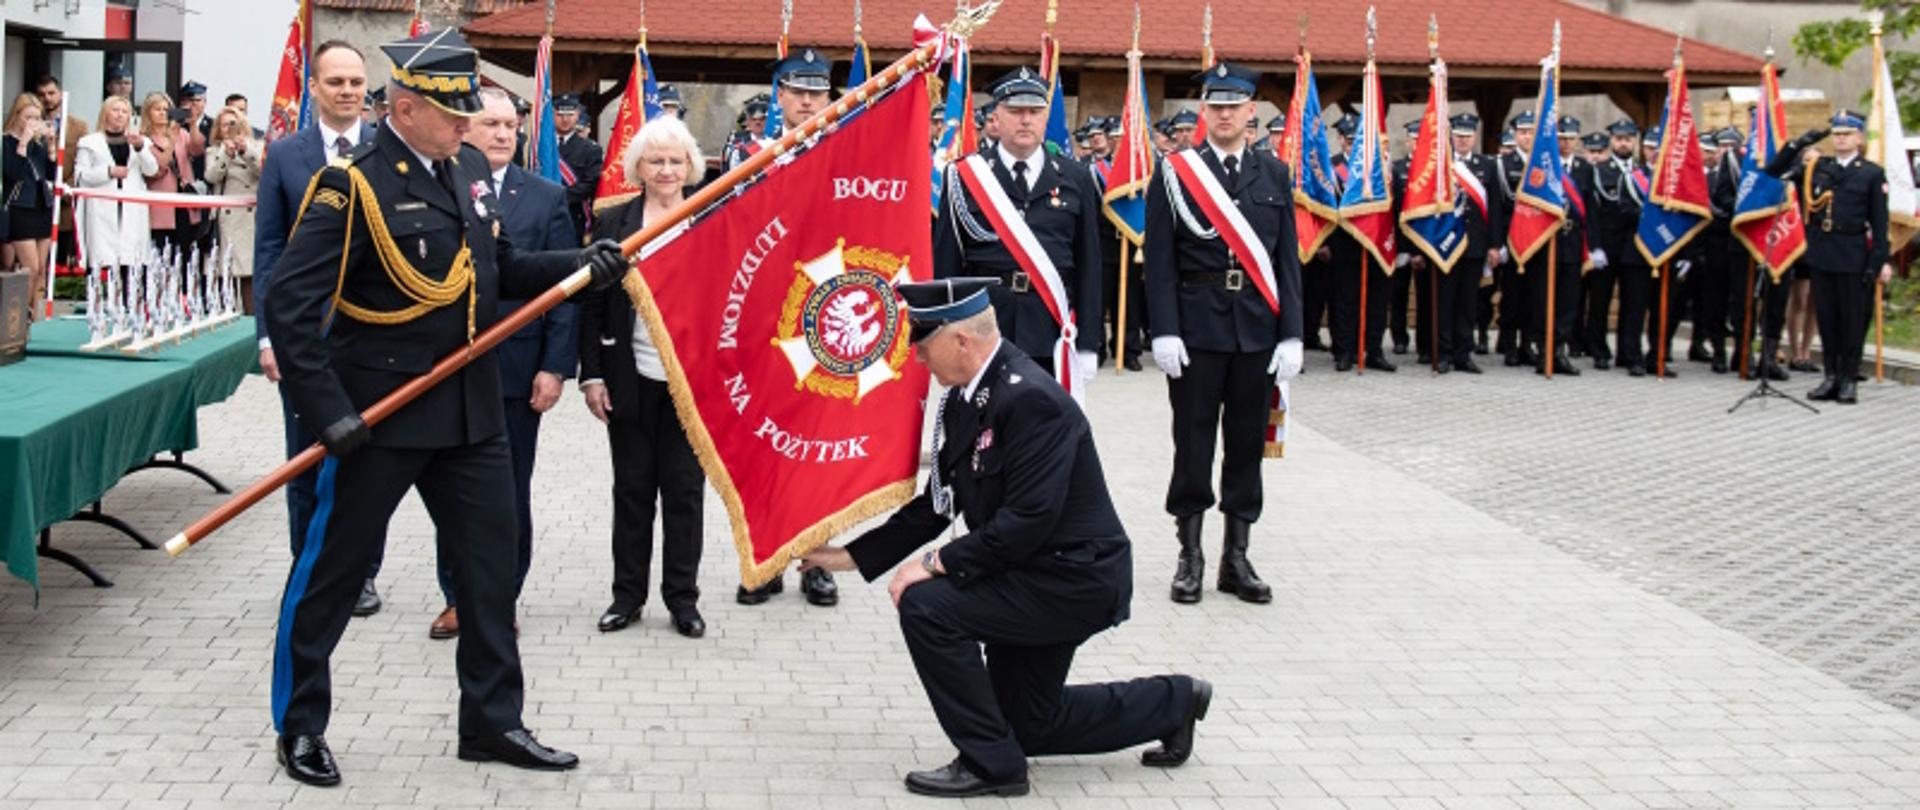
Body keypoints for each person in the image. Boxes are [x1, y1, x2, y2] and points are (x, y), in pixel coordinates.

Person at [263, 28, 627, 786]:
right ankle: (300, 726)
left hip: (469, 410)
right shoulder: (351, 184)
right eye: (452, 111)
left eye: (471, 112)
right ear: (403, 105)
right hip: (384, 411)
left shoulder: (462, 167)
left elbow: (495, 269)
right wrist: (326, 411)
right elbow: (291, 305)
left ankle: (493, 722)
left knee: (489, 573)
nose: (468, 125)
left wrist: (580, 268)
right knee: (330, 571)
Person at [799, 279, 1212, 798]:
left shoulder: (1032, 400)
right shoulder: (969, 398)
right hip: (1031, 572)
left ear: (961, 342)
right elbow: (937, 504)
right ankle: (1174, 703)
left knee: (927, 605)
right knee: (1028, 723)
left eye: (923, 349)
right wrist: (846, 558)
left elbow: (1027, 521)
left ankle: (991, 764)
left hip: (1071, 578)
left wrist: (931, 565)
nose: (919, 361)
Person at [1143, 62, 1303, 605]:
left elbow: (1286, 261)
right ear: (1205, 113)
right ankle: (1190, 556)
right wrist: (1163, 330)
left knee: (1244, 447)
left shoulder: (1274, 175)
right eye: (1216, 106)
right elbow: (1159, 260)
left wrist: (1293, 334)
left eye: (1235, 105)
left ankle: (1237, 558)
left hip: (1256, 333)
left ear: (1251, 111)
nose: (1226, 114)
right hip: (1196, 331)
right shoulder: (1174, 172)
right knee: (1192, 445)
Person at [428, 87, 580, 641]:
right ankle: (455, 597)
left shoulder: (543, 196)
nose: (501, 134)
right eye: (489, 124)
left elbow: (564, 289)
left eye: (510, 127)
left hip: (518, 374)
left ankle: (501, 599)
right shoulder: (440, 188)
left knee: (508, 494)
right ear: (464, 129)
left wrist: (555, 367)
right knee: (452, 490)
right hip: (453, 367)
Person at [252, 39, 383, 616]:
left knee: (364, 464)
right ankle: (307, 569)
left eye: (357, 82)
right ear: (315, 89)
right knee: (304, 460)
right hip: (303, 341)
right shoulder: (285, 156)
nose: (349, 91)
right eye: (337, 82)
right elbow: (270, 251)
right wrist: (267, 336)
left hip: (370, 337)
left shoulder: (385, 151)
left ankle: (361, 575)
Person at [577, 115, 709, 639]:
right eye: (656, 160)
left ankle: (683, 599)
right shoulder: (613, 221)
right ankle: (626, 597)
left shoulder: (709, 214)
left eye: (676, 160)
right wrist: (592, 377)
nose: (667, 170)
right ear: (639, 167)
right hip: (628, 377)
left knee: (684, 494)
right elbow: (590, 303)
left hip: (690, 385)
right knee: (631, 493)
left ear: (691, 166)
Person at [725, 47, 843, 608]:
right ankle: (764, 560)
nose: (807, 101)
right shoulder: (749, 154)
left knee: (820, 444)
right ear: (780, 95)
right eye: (797, 91)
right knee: (765, 443)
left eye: (817, 92)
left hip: (826, 313)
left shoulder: (848, 147)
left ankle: (817, 562)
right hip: (765, 314)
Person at [934, 66, 1102, 390]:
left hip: (1049, 329)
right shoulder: (965, 176)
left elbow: (1089, 266)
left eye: (1035, 111)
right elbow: (947, 266)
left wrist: (1088, 344)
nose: (1026, 119)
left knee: (1043, 434)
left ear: (1045, 117)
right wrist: (945, 337)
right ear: (995, 117)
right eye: (1015, 111)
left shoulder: (1075, 177)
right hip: (982, 331)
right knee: (983, 434)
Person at [1763, 113, 1893, 404]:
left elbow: (1880, 223)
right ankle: (1830, 377)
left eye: (1847, 133)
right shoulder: (1818, 168)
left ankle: (1848, 378)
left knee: (1851, 320)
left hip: (1853, 253)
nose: (1841, 138)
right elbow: (1773, 171)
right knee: (1827, 318)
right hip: (1823, 253)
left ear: (1859, 138)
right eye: (1836, 134)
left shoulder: (1871, 173)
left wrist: (1878, 261)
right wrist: (1799, 144)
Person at [1432, 112, 1505, 374]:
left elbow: (1494, 208)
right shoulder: (1441, 165)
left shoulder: (1487, 166)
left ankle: (1464, 354)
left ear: (1475, 137)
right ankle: (1443, 353)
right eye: (1458, 135)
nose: (1462, 140)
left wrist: (1495, 245)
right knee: (1445, 302)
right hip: (1446, 245)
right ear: (1451, 137)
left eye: (1467, 136)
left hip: (1475, 245)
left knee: (1468, 303)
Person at [72, 95, 159, 272]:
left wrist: (140, 148)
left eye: (124, 111)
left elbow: (151, 170)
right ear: (105, 113)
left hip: (131, 207)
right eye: (115, 110)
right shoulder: (90, 142)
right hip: (102, 207)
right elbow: (81, 176)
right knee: (102, 261)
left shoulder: (140, 141)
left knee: (130, 262)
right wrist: (108, 172)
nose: (120, 115)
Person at [1586, 118, 1643, 374]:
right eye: (1619, 138)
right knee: (1600, 302)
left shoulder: (1643, 172)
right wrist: (1594, 246)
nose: (1623, 143)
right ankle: (1599, 351)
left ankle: (1629, 354)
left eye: (1628, 138)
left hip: (1636, 248)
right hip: (1607, 246)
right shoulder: (1599, 171)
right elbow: (1593, 213)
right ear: (1611, 141)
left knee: (1633, 303)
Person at [202, 105, 263, 310]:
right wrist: (225, 154)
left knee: (249, 273)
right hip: (226, 220)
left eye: (233, 123)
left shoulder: (257, 146)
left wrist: (245, 151)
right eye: (224, 124)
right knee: (226, 273)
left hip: (250, 218)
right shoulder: (213, 151)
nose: (229, 128)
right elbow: (211, 176)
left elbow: (263, 172)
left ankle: (252, 320)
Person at [3, 95, 57, 309]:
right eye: (29, 117)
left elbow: (51, 175)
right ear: (17, 117)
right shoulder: (6, 142)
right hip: (20, 207)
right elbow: (11, 173)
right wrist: (23, 142)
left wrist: (51, 147)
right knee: (30, 268)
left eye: (37, 118)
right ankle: (17, 320)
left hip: (41, 205)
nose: (33, 122)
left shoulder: (39, 145)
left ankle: (33, 315)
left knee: (41, 269)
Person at [552, 93, 603, 241]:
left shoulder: (590, 149)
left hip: (574, 215)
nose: (565, 119)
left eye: (570, 114)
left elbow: (591, 183)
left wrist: (557, 198)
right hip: (543, 214)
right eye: (560, 114)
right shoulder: (540, 147)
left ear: (577, 115)